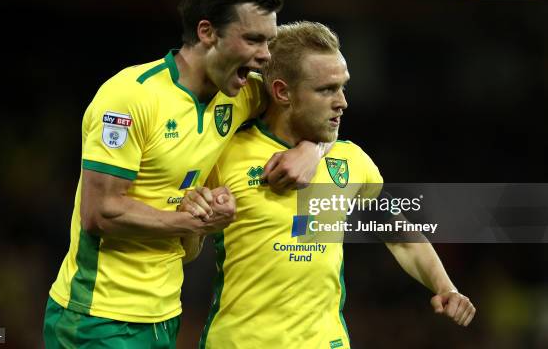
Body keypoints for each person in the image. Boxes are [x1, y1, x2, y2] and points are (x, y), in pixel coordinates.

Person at [43, 0, 330, 348]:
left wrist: (312, 149)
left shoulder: (242, 93)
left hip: (165, 315)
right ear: (207, 32)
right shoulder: (131, 97)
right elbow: (101, 212)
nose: (265, 56)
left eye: (269, 41)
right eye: (253, 40)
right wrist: (196, 222)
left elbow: (320, 107)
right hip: (98, 316)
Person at [184, 21, 476, 348]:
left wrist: (445, 287)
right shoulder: (225, 155)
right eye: (326, 90)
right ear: (282, 92)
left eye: (343, 87)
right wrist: (193, 221)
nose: (342, 102)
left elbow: (402, 237)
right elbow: (185, 251)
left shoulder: (351, 161)